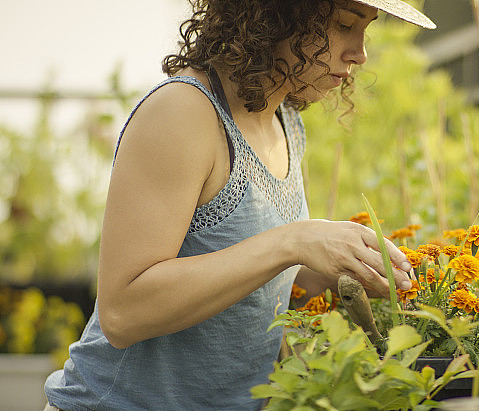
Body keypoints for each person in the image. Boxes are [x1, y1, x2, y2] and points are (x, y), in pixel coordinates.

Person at [43, 1, 435, 409]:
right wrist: (294, 241)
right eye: (344, 24)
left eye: (366, 29)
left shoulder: (285, 121)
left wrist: (336, 272)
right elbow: (123, 313)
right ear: (279, 14)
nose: (360, 53)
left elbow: (241, 276)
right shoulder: (183, 112)